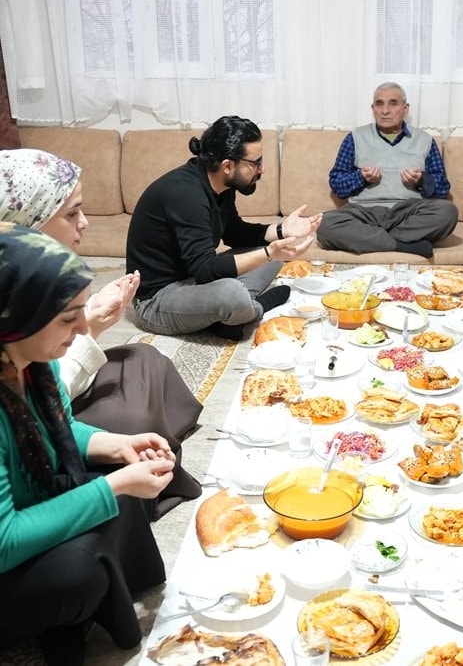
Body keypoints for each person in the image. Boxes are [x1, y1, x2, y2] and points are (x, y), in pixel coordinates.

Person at [0, 224, 175, 665]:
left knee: (124, 491)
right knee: (81, 564)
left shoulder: (32, 363)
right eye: (66, 317)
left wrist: (119, 446)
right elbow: (4, 540)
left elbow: (57, 428)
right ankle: (63, 616)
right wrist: (112, 486)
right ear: (16, 317)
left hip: (27, 508)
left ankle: (72, 614)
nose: (82, 327)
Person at [0, 148, 202, 519]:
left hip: (55, 399)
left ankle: (152, 445)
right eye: (72, 212)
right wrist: (89, 326)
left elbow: (46, 384)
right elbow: (44, 395)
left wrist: (88, 320)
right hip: (46, 414)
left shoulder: (53, 278)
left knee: (144, 356)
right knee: (135, 417)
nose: (85, 223)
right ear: (28, 221)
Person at [126, 115, 321, 340]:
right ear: (227, 165)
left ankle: (225, 316)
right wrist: (268, 253)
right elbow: (205, 268)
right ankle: (254, 309)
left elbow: (234, 233)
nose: (262, 169)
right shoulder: (186, 194)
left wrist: (281, 231)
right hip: (157, 300)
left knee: (271, 255)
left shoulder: (220, 184)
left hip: (193, 282)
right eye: (255, 163)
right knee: (234, 291)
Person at [317, 82, 458, 258]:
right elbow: (337, 184)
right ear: (373, 108)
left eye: (393, 103)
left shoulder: (425, 140)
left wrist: (421, 180)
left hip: (408, 212)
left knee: (448, 211)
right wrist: (361, 178)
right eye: (379, 104)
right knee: (324, 225)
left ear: (405, 109)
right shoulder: (355, 137)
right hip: (364, 212)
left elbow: (443, 188)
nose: (385, 111)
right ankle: (401, 245)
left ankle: (370, 239)